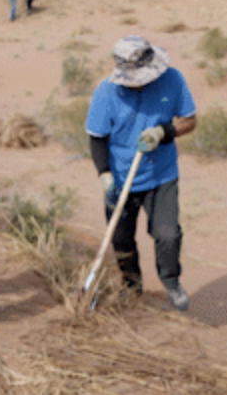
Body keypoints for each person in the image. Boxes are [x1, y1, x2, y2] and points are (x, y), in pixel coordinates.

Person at [85, 36, 197, 311]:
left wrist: (164, 132)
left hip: (161, 175)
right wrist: (104, 175)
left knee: (168, 234)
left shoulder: (172, 79)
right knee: (121, 238)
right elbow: (97, 138)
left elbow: (190, 121)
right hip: (121, 177)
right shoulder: (106, 93)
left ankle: (171, 280)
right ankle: (131, 286)